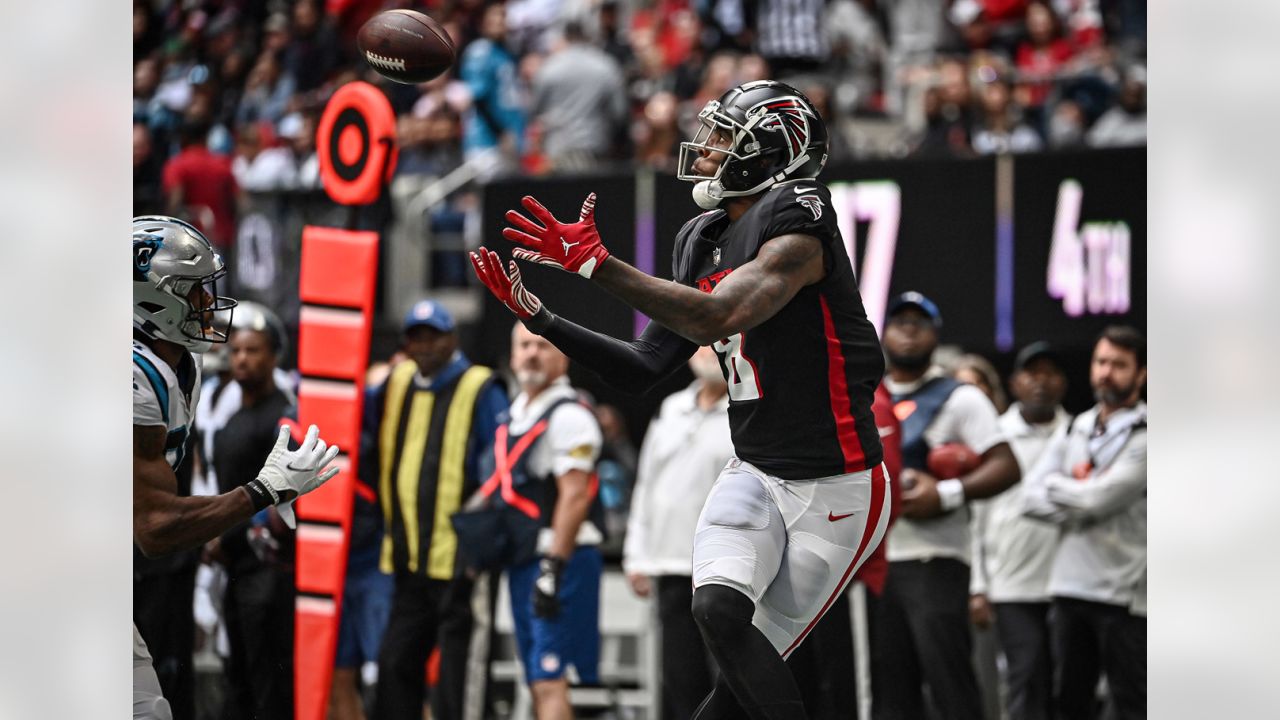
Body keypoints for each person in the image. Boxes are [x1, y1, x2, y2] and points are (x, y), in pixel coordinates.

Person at [471, 79, 892, 720]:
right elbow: (646, 367)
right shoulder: (700, 238)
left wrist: (599, 266)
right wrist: (545, 320)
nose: (705, 149)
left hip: (837, 485)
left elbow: (719, 315)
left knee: (734, 691)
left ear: (773, 152)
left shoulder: (800, 216)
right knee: (715, 611)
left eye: (725, 138)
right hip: (755, 467)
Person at [133, 215, 341, 719]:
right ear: (151, 297)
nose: (208, 303)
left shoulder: (178, 360)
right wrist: (262, 491)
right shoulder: (131, 378)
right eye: (192, 291)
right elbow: (156, 529)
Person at [873, 292, 1020, 720]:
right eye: (900, 320)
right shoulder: (865, 394)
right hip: (878, 561)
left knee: (949, 681)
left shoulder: (959, 397)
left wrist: (947, 492)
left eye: (920, 321)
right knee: (889, 689)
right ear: (883, 332)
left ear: (936, 334)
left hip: (935, 558)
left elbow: (1007, 466)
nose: (909, 328)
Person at [366, 300, 509, 720]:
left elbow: (499, 474)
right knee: (394, 665)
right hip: (410, 560)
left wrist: (478, 548)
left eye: (433, 336)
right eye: (416, 337)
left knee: (457, 679)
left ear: (453, 339)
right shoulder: (398, 381)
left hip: (460, 565)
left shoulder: (481, 387)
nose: (424, 345)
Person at [473, 322, 607, 720]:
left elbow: (575, 495)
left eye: (543, 346)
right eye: (524, 345)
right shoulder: (514, 413)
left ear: (563, 354)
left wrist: (554, 567)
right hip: (522, 560)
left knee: (550, 677)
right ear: (512, 354)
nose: (532, 354)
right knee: (534, 676)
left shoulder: (569, 416)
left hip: (559, 561)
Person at [1023, 326, 1147, 720]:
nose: (1107, 372)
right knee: (1069, 704)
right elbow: (1029, 497)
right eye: (1101, 362)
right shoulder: (1075, 426)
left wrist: (1062, 487)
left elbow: (1099, 499)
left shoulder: (1148, 433)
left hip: (1123, 593)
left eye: (1119, 365)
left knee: (1130, 703)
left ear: (1141, 374)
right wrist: (1084, 494)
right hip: (1068, 587)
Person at [623, 346, 732, 720]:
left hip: (724, 575)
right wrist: (636, 555)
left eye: (716, 339)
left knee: (730, 684)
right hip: (670, 566)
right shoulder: (671, 409)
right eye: (699, 340)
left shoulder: (749, 411)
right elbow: (647, 485)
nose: (705, 349)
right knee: (681, 681)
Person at [969, 341, 1071, 720]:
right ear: (1014, 383)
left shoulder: (1079, 433)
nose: (1040, 382)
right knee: (1024, 680)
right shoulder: (995, 438)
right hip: (1011, 585)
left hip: (1068, 583)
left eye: (1050, 373)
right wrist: (978, 585)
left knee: (1068, 684)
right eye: (1032, 373)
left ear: (1063, 383)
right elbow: (975, 516)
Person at [207, 302, 298, 719]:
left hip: (268, 570)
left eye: (253, 350)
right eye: (237, 350)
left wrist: (222, 536)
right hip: (235, 567)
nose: (241, 358)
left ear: (274, 356)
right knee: (238, 678)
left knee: (269, 685)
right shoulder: (234, 415)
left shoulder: (283, 417)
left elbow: (283, 495)